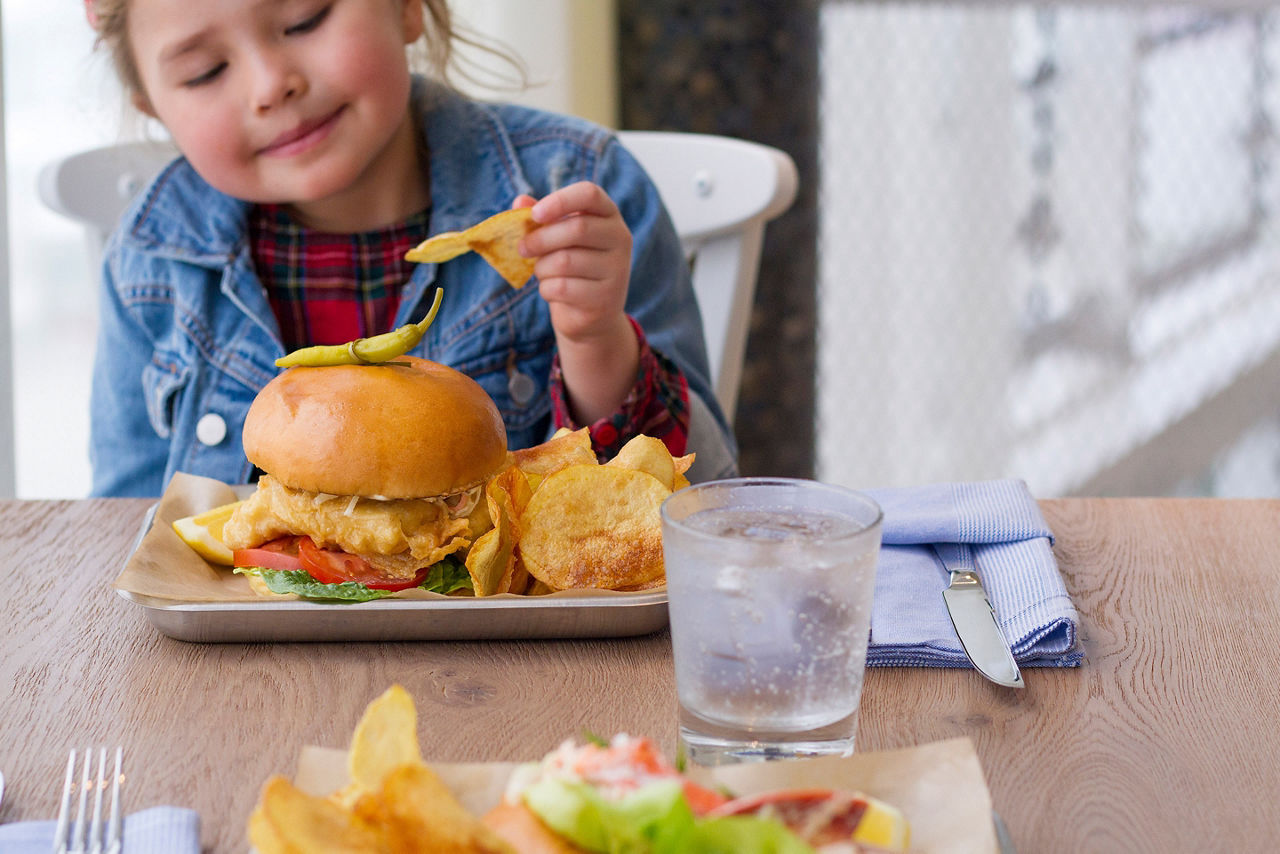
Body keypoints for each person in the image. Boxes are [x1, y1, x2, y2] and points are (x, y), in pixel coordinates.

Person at [85, 0, 737, 497]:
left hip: (519, 664)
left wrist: (597, 339)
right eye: (205, 72)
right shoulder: (150, 257)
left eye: (305, 18)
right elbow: (124, 538)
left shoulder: (579, 191)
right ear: (152, 104)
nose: (269, 85)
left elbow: (701, 503)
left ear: (405, 6)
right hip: (252, 668)